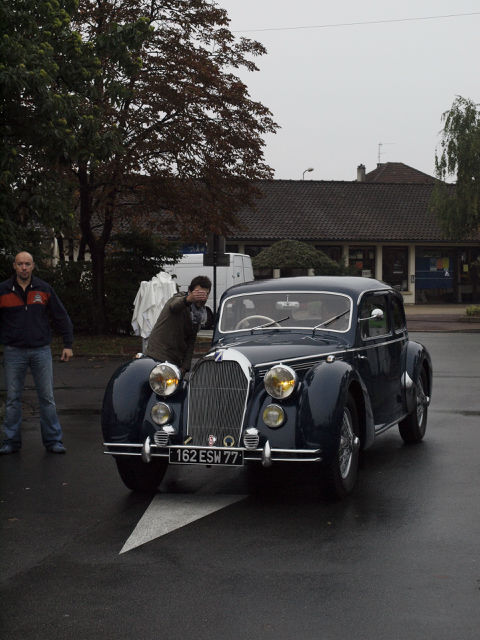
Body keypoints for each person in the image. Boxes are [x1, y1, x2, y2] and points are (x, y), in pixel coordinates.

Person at [0, 251, 73, 454]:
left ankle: (53, 441)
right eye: (20, 264)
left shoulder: (44, 289)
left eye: (28, 264)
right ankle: (11, 441)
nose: (24, 267)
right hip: (13, 352)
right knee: (13, 398)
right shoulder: (3, 290)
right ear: (14, 266)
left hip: (41, 351)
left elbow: (61, 316)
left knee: (47, 397)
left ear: (33, 266)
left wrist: (68, 344)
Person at [146, 275, 211, 373]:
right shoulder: (178, 298)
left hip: (175, 360)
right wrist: (188, 299)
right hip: (157, 355)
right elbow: (174, 306)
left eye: (205, 294)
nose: (201, 298)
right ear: (190, 291)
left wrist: (185, 367)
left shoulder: (198, 315)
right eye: (198, 293)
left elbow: (190, 342)